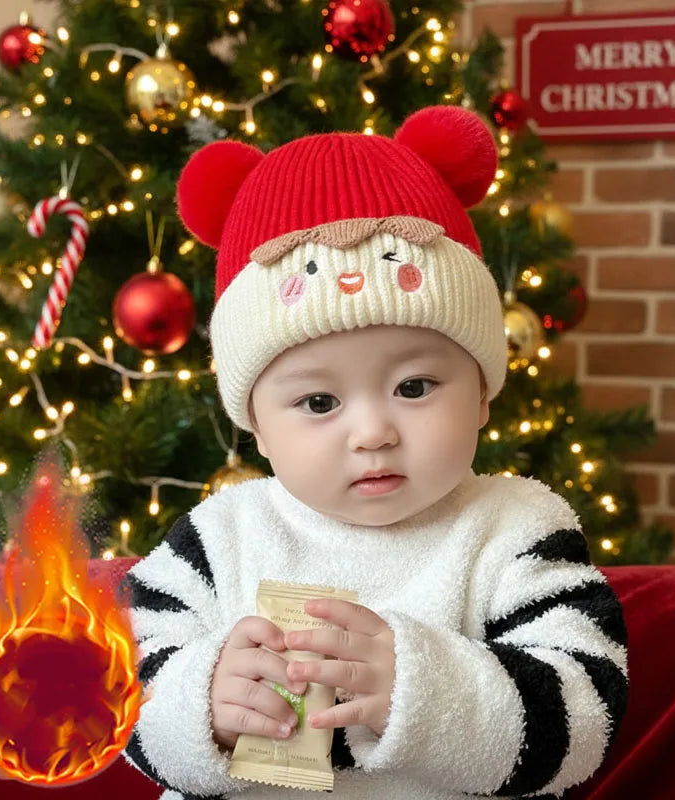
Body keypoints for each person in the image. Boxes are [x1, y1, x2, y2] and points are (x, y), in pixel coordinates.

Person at [123, 106, 628, 800]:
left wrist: (421, 692)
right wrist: (202, 703)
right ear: (259, 430)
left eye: (413, 386)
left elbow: (587, 719)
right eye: (320, 404)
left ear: (482, 394)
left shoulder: (515, 531)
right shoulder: (220, 536)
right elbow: (123, 692)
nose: (372, 434)